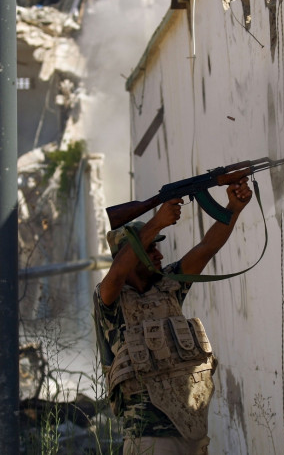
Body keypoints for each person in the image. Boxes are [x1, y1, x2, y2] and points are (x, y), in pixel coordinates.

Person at [93, 176, 253, 455]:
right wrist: (157, 221)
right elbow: (117, 273)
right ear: (129, 256)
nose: (159, 255)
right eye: (150, 249)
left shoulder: (169, 285)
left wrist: (233, 208)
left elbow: (206, 248)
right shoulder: (110, 301)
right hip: (149, 440)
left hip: (191, 434)